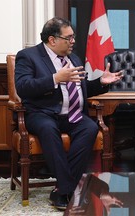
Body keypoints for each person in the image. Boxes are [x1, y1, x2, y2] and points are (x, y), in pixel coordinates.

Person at [15, 17, 123, 210]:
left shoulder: (74, 58)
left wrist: (100, 82)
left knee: (89, 127)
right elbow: (23, 88)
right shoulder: (28, 56)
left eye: (73, 37)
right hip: (42, 114)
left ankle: (61, 190)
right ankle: (69, 188)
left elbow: (82, 89)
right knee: (48, 129)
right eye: (69, 37)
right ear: (52, 40)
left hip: (71, 114)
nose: (73, 41)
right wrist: (55, 78)